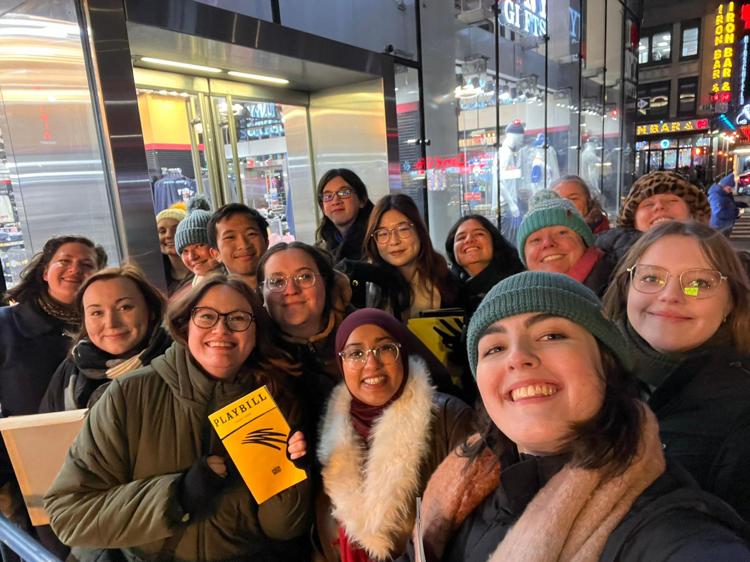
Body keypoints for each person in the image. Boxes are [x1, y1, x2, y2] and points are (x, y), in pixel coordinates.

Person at [407, 272, 749, 562]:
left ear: (607, 363)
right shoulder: (466, 480)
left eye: (551, 335)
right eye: (494, 348)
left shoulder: (667, 528)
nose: (518, 358)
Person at [44, 275, 312, 561]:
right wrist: (176, 496)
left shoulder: (274, 398)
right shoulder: (129, 395)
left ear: (256, 331)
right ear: (185, 326)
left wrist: (292, 478)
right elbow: (69, 513)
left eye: (238, 319)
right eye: (206, 317)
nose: (221, 329)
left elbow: (283, 529)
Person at [602, 220, 750, 519]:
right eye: (652, 278)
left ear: (731, 302)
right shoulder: (589, 376)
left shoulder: (741, 411)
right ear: (626, 288)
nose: (670, 295)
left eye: (699, 283)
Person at [316, 309, 472, 562]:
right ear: (341, 364)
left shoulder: (450, 418)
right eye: (356, 353)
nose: (372, 364)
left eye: (385, 348)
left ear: (404, 352)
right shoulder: (331, 435)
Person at [0, 235, 105, 559]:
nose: (75, 269)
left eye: (86, 264)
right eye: (65, 261)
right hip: (29, 477)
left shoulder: (105, 327)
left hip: (101, 470)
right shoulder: (6, 326)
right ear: (45, 271)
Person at [39, 264, 171, 413]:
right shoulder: (70, 370)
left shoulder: (179, 362)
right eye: (96, 313)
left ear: (151, 311)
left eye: (124, 307)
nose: (111, 323)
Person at [257, 242, 352, 425]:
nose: (292, 290)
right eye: (277, 281)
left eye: (304, 277)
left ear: (325, 282)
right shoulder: (255, 360)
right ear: (262, 294)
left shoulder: (365, 332)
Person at [364, 194, 462, 320]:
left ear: (419, 231)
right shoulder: (366, 284)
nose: (394, 241)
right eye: (382, 233)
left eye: (403, 229)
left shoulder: (448, 282)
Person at [596, 170, 711, 263]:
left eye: (671, 201)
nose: (659, 206)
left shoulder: (716, 256)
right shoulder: (604, 261)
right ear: (632, 220)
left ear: (693, 212)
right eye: (648, 204)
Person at [516, 190, 615, 296]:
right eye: (536, 240)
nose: (548, 243)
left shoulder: (614, 288)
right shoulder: (521, 297)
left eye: (561, 233)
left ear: (584, 240)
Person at [445, 214, 523, 316]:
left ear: (494, 242)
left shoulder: (517, 284)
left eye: (479, 234)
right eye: (461, 237)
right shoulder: (450, 292)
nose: (469, 240)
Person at [315, 168, 373, 263]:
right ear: (323, 208)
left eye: (344, 193)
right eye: (328, 196)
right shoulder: (321, 249)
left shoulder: (377, 239)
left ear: (362, 199)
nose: (335, 201)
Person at [207, 203, 269, 289]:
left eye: (251, 234)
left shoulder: (288, 290)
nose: (243, 245)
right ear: (216, 253)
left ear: (266, 241)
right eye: (230, 237)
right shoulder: (214, 299)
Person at [174, 195, 221, 293]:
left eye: (199, 246)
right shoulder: (194, 282)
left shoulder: (231, 283)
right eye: (185, 251)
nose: (192, 257)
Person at [156, 205, 190, 295]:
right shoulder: (155, 278)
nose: (168, 235)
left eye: (176, 230)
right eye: (162, 231)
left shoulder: (202, 273)